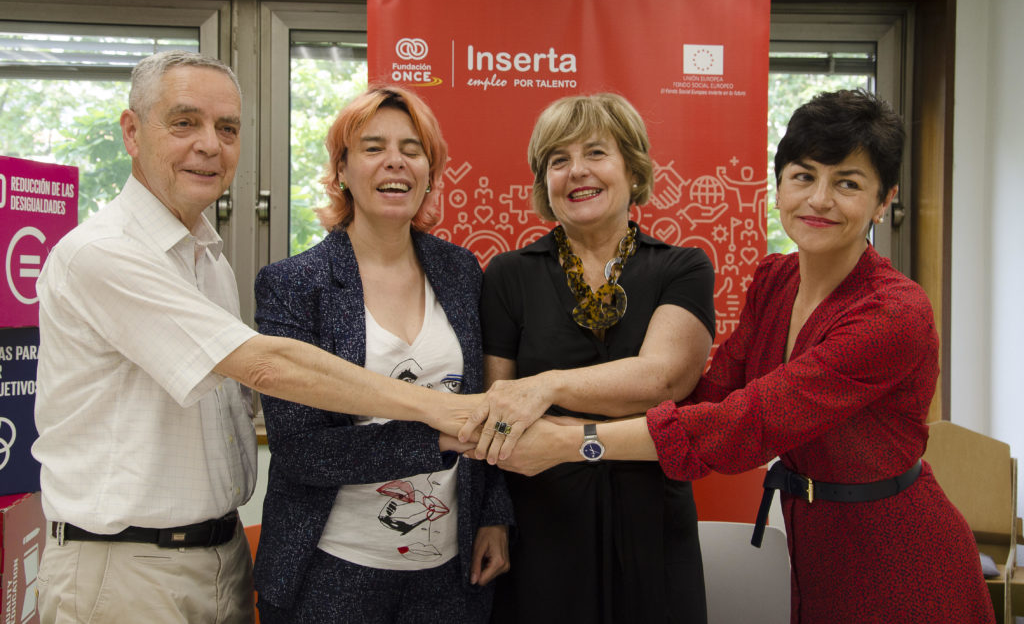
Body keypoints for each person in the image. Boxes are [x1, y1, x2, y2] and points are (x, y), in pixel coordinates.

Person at [488, 90, 996, 623]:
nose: (819, 199)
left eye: (847, 183)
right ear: (779, 185)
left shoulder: (894, 312)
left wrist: (573, 439)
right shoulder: (777, 282)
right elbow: (711, 395)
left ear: (884, 199)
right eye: (803, 176)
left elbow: (745, 424)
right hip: (811, 540)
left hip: (899, 553)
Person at [32, 52, 480, 624]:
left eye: (228, 129)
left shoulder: (205, 257)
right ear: (131, 132)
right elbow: (269, 370)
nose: (209, 145)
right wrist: (450, 415)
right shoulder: (104, 253)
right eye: (184, 122)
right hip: (127, 566)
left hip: (220, 555)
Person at [251, 86, 513, 623]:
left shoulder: (462, 272)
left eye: (412, 149)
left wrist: (494, 515)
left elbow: (489, 400)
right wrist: (438, 434)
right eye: (373, 147)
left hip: (449, 570)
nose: (395, 160)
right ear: (342, 170)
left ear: (430, 171)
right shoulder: (294, 284)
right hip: (331, 568)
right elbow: (302, 451)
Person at [463, 93, 715, 623]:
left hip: (654, 524)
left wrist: (546, 387)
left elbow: (662, 378)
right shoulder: (508, 276)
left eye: (596, 153)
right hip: (540, 527)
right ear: (543, 182)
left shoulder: (683, 267)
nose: (577, 171)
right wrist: (492, 518)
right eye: (558, 160)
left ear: (632, 167)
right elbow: (495, 411)